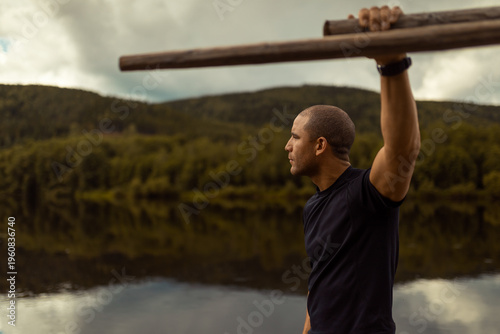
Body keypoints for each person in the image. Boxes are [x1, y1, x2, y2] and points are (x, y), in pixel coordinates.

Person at [284, 6, 421, 334]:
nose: (287, 147)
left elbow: (403, 150)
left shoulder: (366, 195)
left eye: (294, 137)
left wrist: (391, 63)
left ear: (319, 145)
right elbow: (319, 279)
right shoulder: (314, 205)